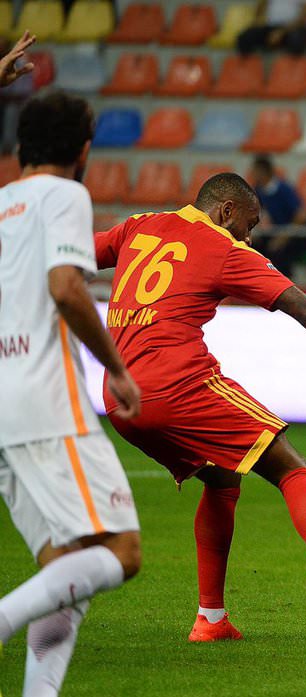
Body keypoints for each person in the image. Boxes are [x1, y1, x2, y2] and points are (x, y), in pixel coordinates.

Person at [93, 172, 306, 642]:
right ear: (226, 210)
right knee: (289, 465)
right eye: (248, 225)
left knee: (222, 478)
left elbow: (70, 257)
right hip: (176, 386)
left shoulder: (138, 225)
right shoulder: (225, 249)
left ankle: (211, 619)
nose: (249, 237)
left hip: (118, 396)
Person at [0, 90, 143, 695]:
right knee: (122, 551)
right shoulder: (64, 195)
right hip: (45, 402)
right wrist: (116, 367)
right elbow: (66, 286)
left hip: (4, 405)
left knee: (65, 568)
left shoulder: (3, 203)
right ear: (84, 150)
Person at [248, 155, 306, 278]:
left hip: (297, 234)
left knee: (278, 252)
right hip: (276, 232)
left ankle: (284, 282)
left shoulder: (284, 189)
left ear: (264, 171)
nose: (253, 174)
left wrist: (283, 237)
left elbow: (301, 215)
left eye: (255, 171)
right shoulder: (258, 190)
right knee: (254, 247)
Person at [236, 0, 306, 56]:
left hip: (294, 28)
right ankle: (251, 71)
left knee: (297, 41)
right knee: (244, 38)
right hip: (271, 27)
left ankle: (290, 71)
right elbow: (260, 9)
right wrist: (258, 21)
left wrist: (281, 32)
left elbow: (305, 16)